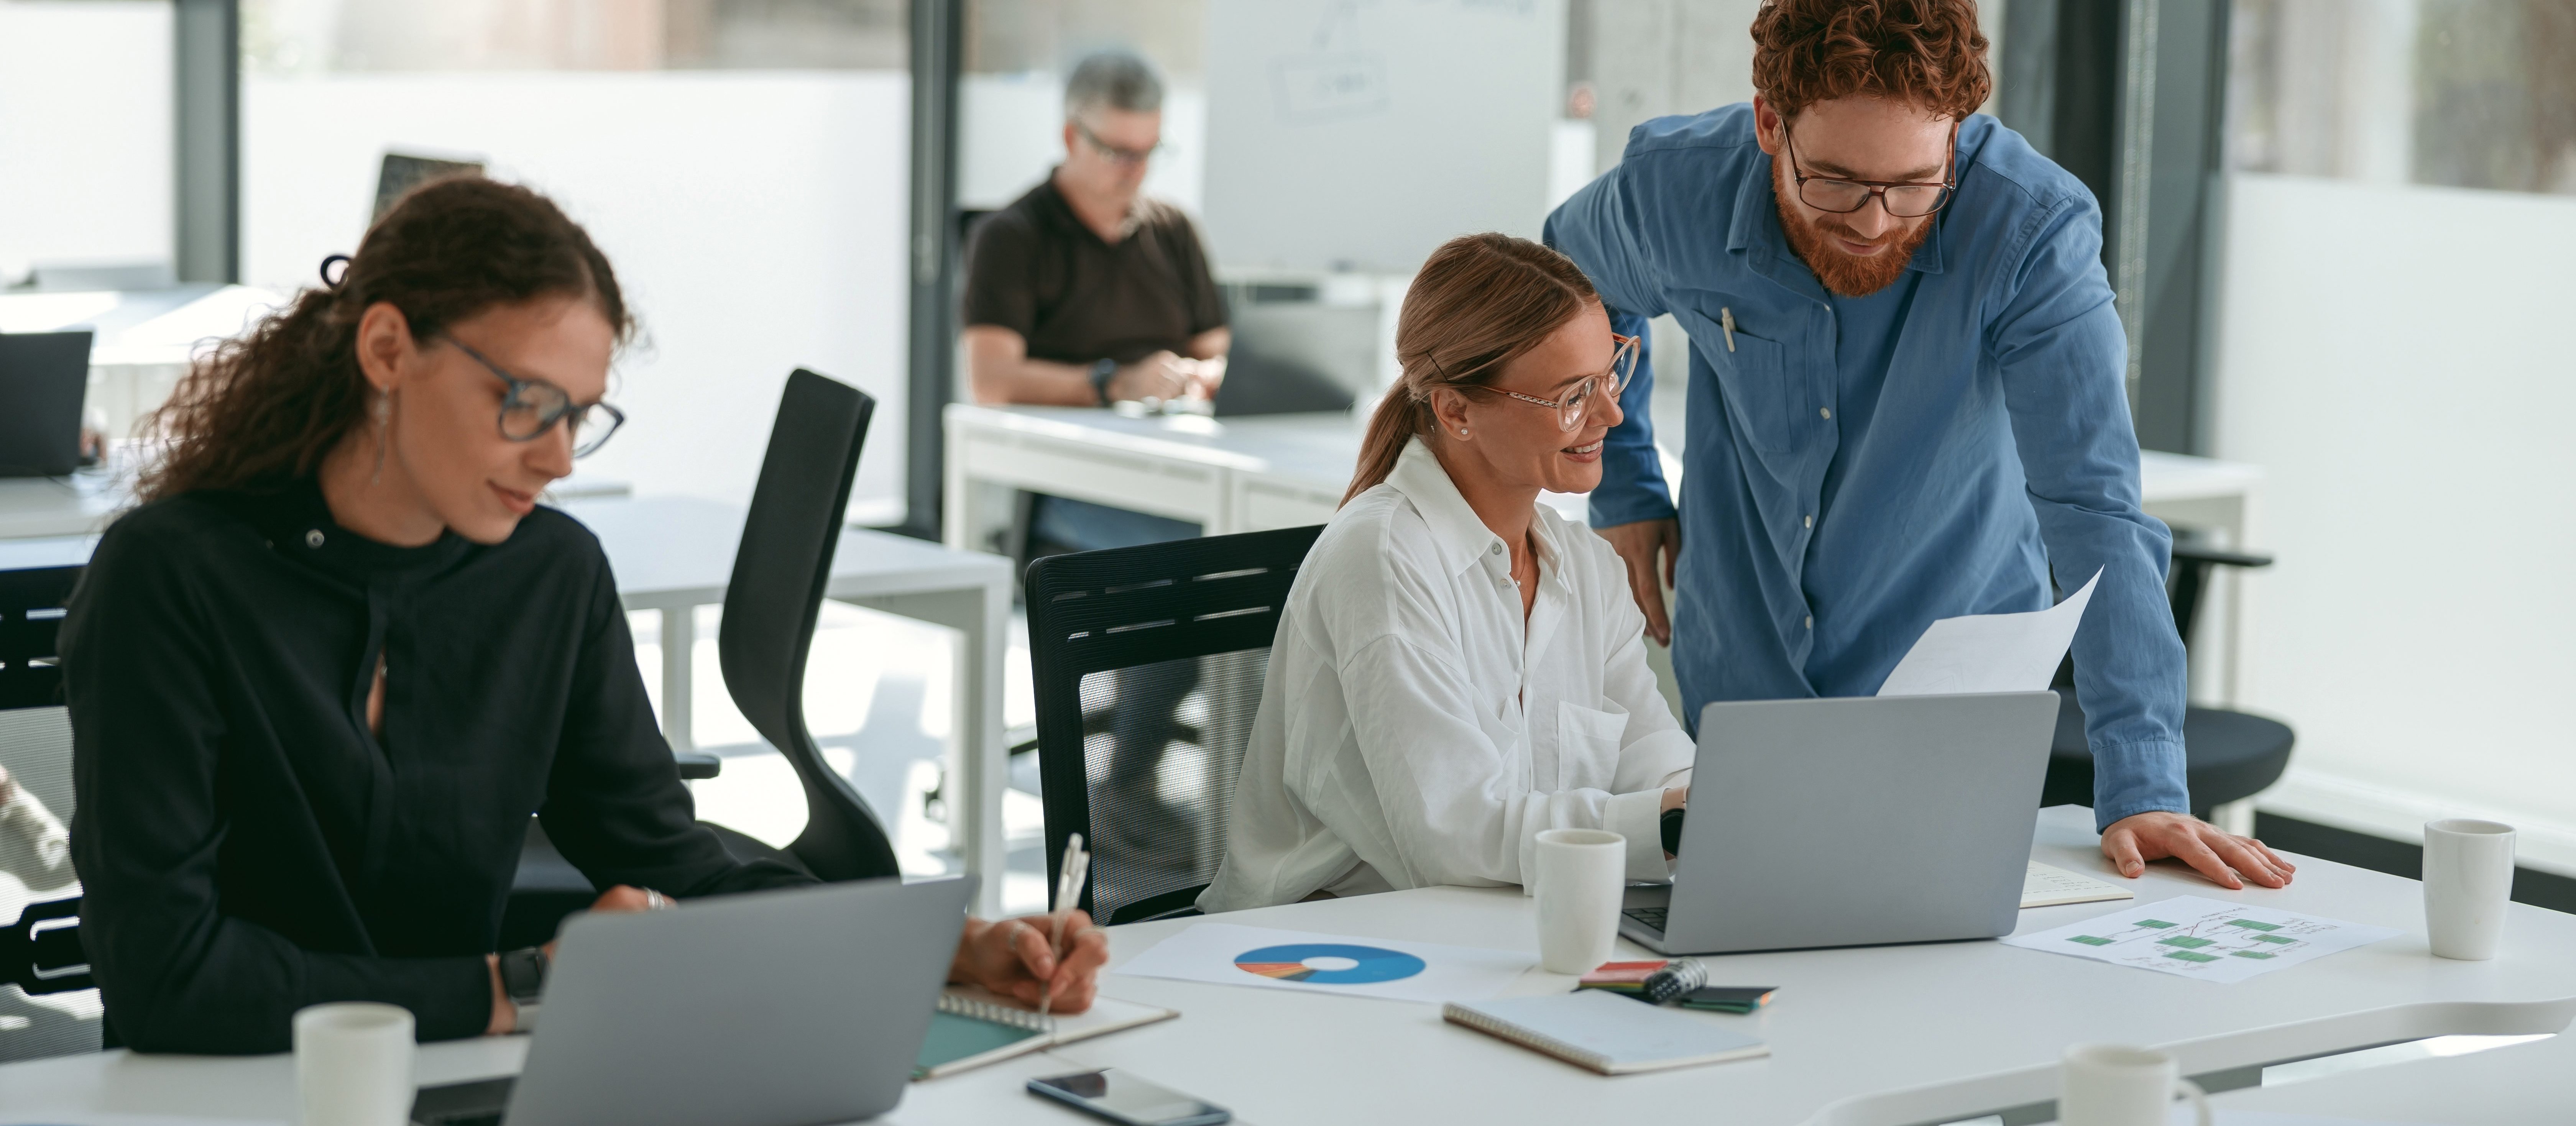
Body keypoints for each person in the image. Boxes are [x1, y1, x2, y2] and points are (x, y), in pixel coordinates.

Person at [61, 177, 1108, 1055]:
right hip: (218, 1094)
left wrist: (941, 948)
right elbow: (166, 978)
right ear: (386, 350)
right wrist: (511, 982)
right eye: (525, 401)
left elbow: (669, 855)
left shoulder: (549, 576)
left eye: (581, 415)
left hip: (456, 1083)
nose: (559, 456)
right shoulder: (171, 579)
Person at [1543, 0, 2293, 890]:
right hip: (1741, 683)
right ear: (1769, 123)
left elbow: (2094, 508)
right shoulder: (1680, 191)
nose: (1872, 220)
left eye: (1912, 186)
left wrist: (2143, 784)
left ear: (1955, 136)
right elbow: (1571, 281)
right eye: (1834, 182)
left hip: (1952, 712)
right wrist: (1626, 485)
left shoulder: (2030, 232)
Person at [1199, 234, 1694, 913]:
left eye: (1611, 374)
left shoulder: (1586, 570)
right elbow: (1455, 835)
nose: (1611, 413)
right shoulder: (1383, 559)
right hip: (1324, 951)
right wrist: (1668, 823)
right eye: (1572, 395)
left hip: (1490, 930)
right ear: (1456, 410)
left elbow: (1656, 756)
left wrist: (1708, 804)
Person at [959, 50, 1231, 859]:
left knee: (1261, 552)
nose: (1131, 169)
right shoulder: (1014, 236)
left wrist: (1199, 376)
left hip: (1175, 466)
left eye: (1147, 150)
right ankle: (1126, 788)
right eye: (1114, 150)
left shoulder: (1172, 228)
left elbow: (1217, 348)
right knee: (1199, 561)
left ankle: (1243, 797)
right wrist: (1112, 381)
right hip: (1061, 491)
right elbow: (990, 378)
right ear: (1068, 136)